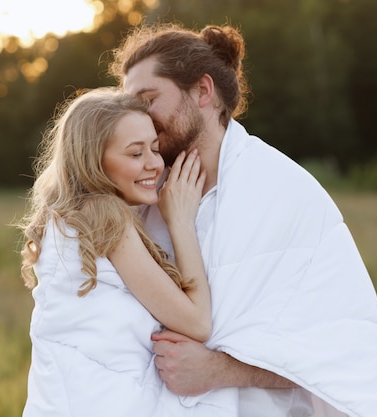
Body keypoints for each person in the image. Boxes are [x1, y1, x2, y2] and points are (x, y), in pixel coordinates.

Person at [109, 22, 377, 417]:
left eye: (148, 100)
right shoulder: (140, 196)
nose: (140, 120)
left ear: (202, 90)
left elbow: (342, 353)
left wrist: (218, 370)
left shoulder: (288, 194)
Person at [19, 87, 240, 416]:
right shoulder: (105, 217)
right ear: (94, 161)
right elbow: (196, 322)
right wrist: (181, 222)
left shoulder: (63, 217)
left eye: (155, 148)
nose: (155, 164)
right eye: (136, 154)